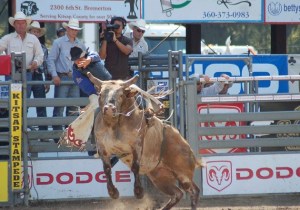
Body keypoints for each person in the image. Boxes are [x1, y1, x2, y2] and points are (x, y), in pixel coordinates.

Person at [47, 18, 85, 143]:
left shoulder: (80, 44)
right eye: (72, 29)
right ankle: (57, 136)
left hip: (75, 78)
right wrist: (54, 75)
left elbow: (84, 61)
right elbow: (51, 59)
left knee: (73, 108)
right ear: (67, 29)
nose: (74, 31)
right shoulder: (58, 43)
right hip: (62, 77)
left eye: (75, 30)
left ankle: (70, 136)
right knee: (59, 107)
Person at [0, 11, 44, 98]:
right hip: (12, 74)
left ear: (26, 24)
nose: (20, 25)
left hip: (27, 73)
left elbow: (40, 55)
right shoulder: (8, 38)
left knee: (25, 102)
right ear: (14, 25)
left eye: (23, 23)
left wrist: (36, 62)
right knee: (14, 103)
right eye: (18, 23)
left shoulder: (33, 38)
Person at [27, 21, 50, 132]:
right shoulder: (25, 46)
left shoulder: (44, 48)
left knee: (41, 104)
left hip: (39, 77)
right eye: (33, 31)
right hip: (26, 76)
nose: (35, 33)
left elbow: (45, 65)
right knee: (24, 104)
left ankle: (43, 132)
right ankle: (22, 130)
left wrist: (47, 80)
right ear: (29, 32)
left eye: (37, 32)